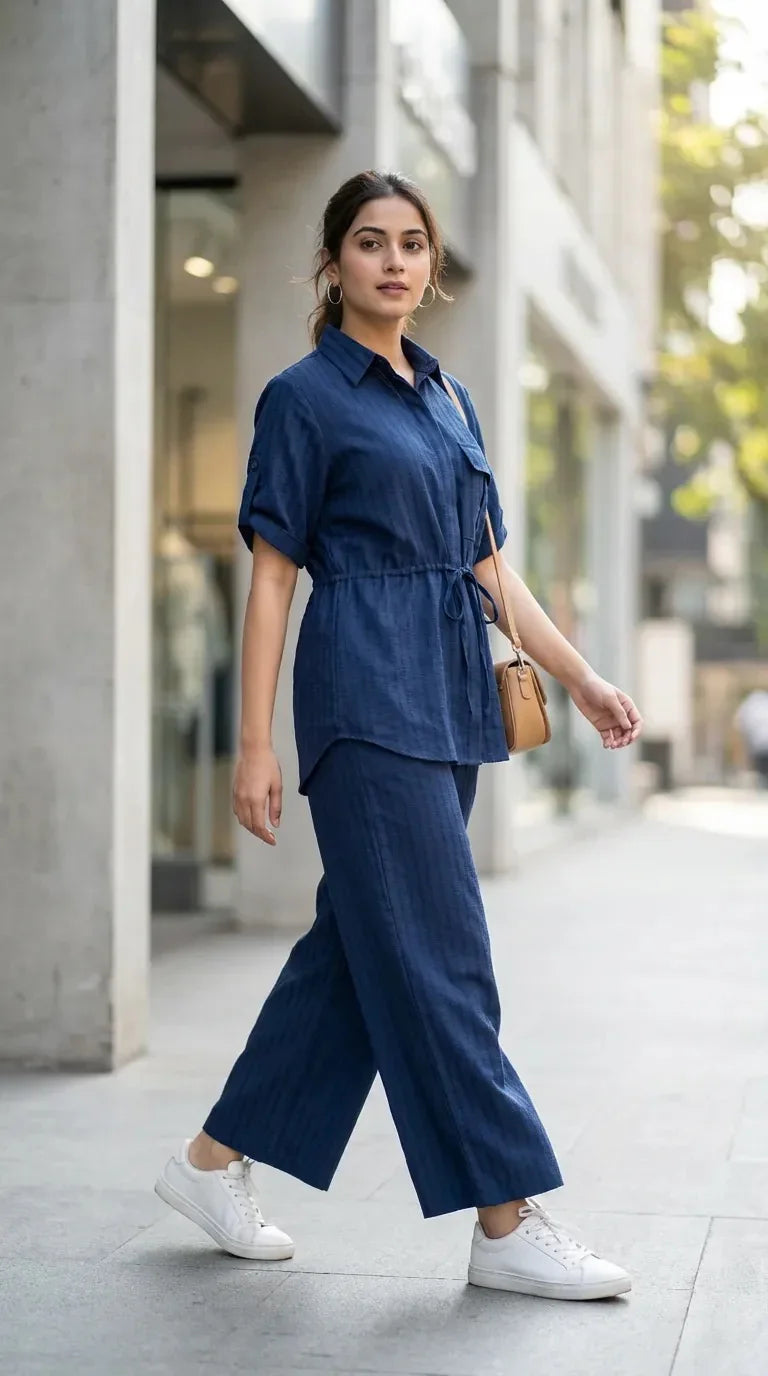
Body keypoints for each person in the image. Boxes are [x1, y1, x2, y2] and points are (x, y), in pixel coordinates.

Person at [154, 170, 643, 1302]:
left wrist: (579, 676)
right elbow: (272, 579)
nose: (394, 261)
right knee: (440, 954)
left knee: (361, 948)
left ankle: (210, 1164)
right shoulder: (302, 398)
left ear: (431, 265)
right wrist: (254, 743)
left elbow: (488, 567)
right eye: (370, 242)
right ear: (333, 263)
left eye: (412, 243)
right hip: (364, 698)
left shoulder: (449, 396)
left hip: (450, 697)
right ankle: (504, 1215)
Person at [735, 688, 768, 787]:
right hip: (760, 747)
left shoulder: (748, 706)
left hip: (758, 747)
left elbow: (741, 727)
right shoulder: (756, 704)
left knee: (763, 776)